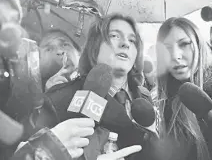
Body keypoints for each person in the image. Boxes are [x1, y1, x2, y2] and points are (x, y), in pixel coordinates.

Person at [26, 13, 156, 160]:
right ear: (95, 46)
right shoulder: (59, 99)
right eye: (114, 36)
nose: (125, 43)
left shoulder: (144, 97)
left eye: (132, 40)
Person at [153, 17, 212, 160]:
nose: (175, 56)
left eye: (184, 44)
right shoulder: (164, 101)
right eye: (166, 48)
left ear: (199, 44)